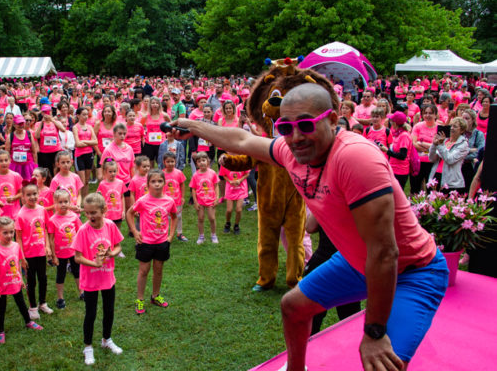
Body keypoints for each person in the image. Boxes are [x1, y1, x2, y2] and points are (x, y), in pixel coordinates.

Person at [173, 80, 448, 371]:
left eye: (306, 125)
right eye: (285, 128)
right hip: (358, 261)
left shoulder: (355, 158)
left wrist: (374, 332)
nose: (295, 137)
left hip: (412, 271)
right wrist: (195, 125)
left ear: (332, 119)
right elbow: (243, 141)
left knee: (383, 364)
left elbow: (385, 253)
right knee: (293, 307)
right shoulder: (293, 151)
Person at [73, 193, 124, 366]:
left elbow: (118, 246)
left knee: (109, 310)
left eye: (93, 212)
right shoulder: (83, 231)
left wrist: (111, 253)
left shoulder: (110, 226)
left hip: (108, 277)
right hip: (91, 280)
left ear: (104, 210)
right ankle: (88, 347)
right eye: (87, 213)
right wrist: (94, 264)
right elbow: (77, 258)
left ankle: (106, 339)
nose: (90, 216)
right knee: (91, 313)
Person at [126, 169, 177, 315]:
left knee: (158, 269)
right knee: (144, 271)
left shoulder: (169, 201)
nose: (157, 184)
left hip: (162, 242)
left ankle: (155, 296)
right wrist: (135, 232)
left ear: (164, 183)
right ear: (148, 184)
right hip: (146, 242)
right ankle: (140, 299)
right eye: (153, 182)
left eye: (160, 181)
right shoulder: (143, 201)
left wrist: (170, 236)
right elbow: (129, 213)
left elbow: (174, 217)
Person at [0, 216, 43, 345]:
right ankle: (0, 331)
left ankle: (28, 321)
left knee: (21, 303)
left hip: (15, 282)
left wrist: (20, 279)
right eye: (5, 232)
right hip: (2, 285)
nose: (9, 235)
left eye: (11, 232)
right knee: (1, 308)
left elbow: (17, 262)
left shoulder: (15, 246)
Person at [15, 180, 53, 320]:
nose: (32, 197)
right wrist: (22, 257)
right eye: (28, 195)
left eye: (34, 194)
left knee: (42, 278)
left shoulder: (42, 210)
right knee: (31, 281)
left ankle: (43, 303)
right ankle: (32, 307)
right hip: (29, 254)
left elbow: (45, 229)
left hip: (41, 252)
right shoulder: (21, 214)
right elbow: (18, 238)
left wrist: (47, 246)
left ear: (39, 194)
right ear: (23, 197)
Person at [47, 188, 83, 309]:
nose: (63, 204)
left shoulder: (74, 217)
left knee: (77, 272)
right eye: (60, 202)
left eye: (65, 201)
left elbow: (80, 233)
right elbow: (51, 239)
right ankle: (60, 298)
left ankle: (82, 292)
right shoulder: (52, 220)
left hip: (73, 252)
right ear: (55, 203)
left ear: (70, 202)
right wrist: (53, 255)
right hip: (60, 253)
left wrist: (80, 250)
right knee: (60, 274)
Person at [428, 117, 469, 193]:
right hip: (436, 175)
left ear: (462, 130)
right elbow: (432, 159)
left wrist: (440, 145)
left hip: (450, 181)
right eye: (451, 126)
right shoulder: (445, 140)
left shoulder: (463, 144)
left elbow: (450, 159)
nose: (452, 128)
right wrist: (434, 144)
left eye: (455, 127)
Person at [189, 152, 219, 244]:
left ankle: (213, 235)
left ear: (208, 161)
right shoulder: (195, 175)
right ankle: (201, 236)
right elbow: (193, 189)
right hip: (200, 201)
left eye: (203, 160)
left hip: (211, 200)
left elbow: (216, 186)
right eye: (199, 161)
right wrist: (195, 201)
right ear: (196, 164)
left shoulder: (212, 173)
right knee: (200, 218)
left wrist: (217, 198)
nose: (201, 163)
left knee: (212, 218)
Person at [378, 112, 412, 189]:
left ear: (395, 123)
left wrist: (387, 151)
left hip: (400, 171)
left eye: (391, 121)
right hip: (394, 168)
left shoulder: (404, 136)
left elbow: (402, 155)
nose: (390, 122)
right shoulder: (398, 134)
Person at [410, 104, 439, 194]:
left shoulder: (439, 128)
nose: (428, 115)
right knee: (415, 188)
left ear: (435, 115)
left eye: (430, 113)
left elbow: (439, 146)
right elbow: (413, 143)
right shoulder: (418, 126)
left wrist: (422, 144)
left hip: (432, 162)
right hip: (418, 162)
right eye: (425, 113)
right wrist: (431, 146)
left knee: (431, 188)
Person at [0, 150, 23, 219]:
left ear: (10, 161)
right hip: (0, 214)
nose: (4, 163)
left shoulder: (16, 176)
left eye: (6, 160)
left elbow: (21, 193)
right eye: (1, 161)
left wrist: (13, 198)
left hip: (14, 213)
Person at [219, 157, 249, 235]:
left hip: (241, 188)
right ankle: (227, 223)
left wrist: (240, 180)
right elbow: (223, 175)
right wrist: (229, 181)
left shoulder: (243, 161)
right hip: (230, 188)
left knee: (238, 209)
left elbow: (247, 173)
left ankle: (236, 225)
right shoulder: (225, 162)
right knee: (229, 210)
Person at [161, 152, 187, 242]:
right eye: (168, 161)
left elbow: (182, 185)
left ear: (175, 161)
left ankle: (179, 233)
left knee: (178, 216)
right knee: (166, 218)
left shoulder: (179, 173)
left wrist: (183, 197)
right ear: (164, 162)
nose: (170, 163)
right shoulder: (161, 174)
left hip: (177, 200)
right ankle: (165, 234)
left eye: (172, 161)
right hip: (165, 201)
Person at [97, 159, 127, 232]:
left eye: (114, 171)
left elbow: (122, 197)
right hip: (107, 214)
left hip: (118, 212)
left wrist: (123, 211)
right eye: (110, 172)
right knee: (107, 231)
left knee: (117, 231)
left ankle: (117, 243)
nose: (113, 173)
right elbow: (99, 198)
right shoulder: (102, 184)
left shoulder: (120, 183)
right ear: (105, 172)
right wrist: (102, 212)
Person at [6, 114, 38, 180]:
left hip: (28, 165)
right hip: (15, 166)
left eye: (22, 123)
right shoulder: (10, 136)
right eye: (19, 123)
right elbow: (7, 154)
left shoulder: (29, 134)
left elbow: (34, 152)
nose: (21, 125)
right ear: (14, 124)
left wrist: (35, 166)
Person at [461, 109, 485, 188]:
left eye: (467, 118)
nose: (464, 121)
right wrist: (470, 150)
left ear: (473, 120)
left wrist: (463, 155)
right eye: (463, 118)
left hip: (471, 166)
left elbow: (479, 152)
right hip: (459, 166)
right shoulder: (459, 133)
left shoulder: (479, 134)